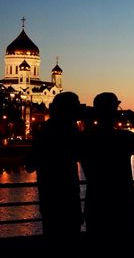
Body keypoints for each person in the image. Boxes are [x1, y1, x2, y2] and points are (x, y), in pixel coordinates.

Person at [80, 92, 134, 252]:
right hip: (123, 202)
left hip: (96, 201)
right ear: (114, 111)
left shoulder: (85, 137)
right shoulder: (122, 137)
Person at [27, 92, 83, 252]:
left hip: (50, 195)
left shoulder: (46, 128)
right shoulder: (69, 129)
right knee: (68, 240)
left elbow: (30, 164)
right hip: (66, 195)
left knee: (53, 238)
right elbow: (79, 153)